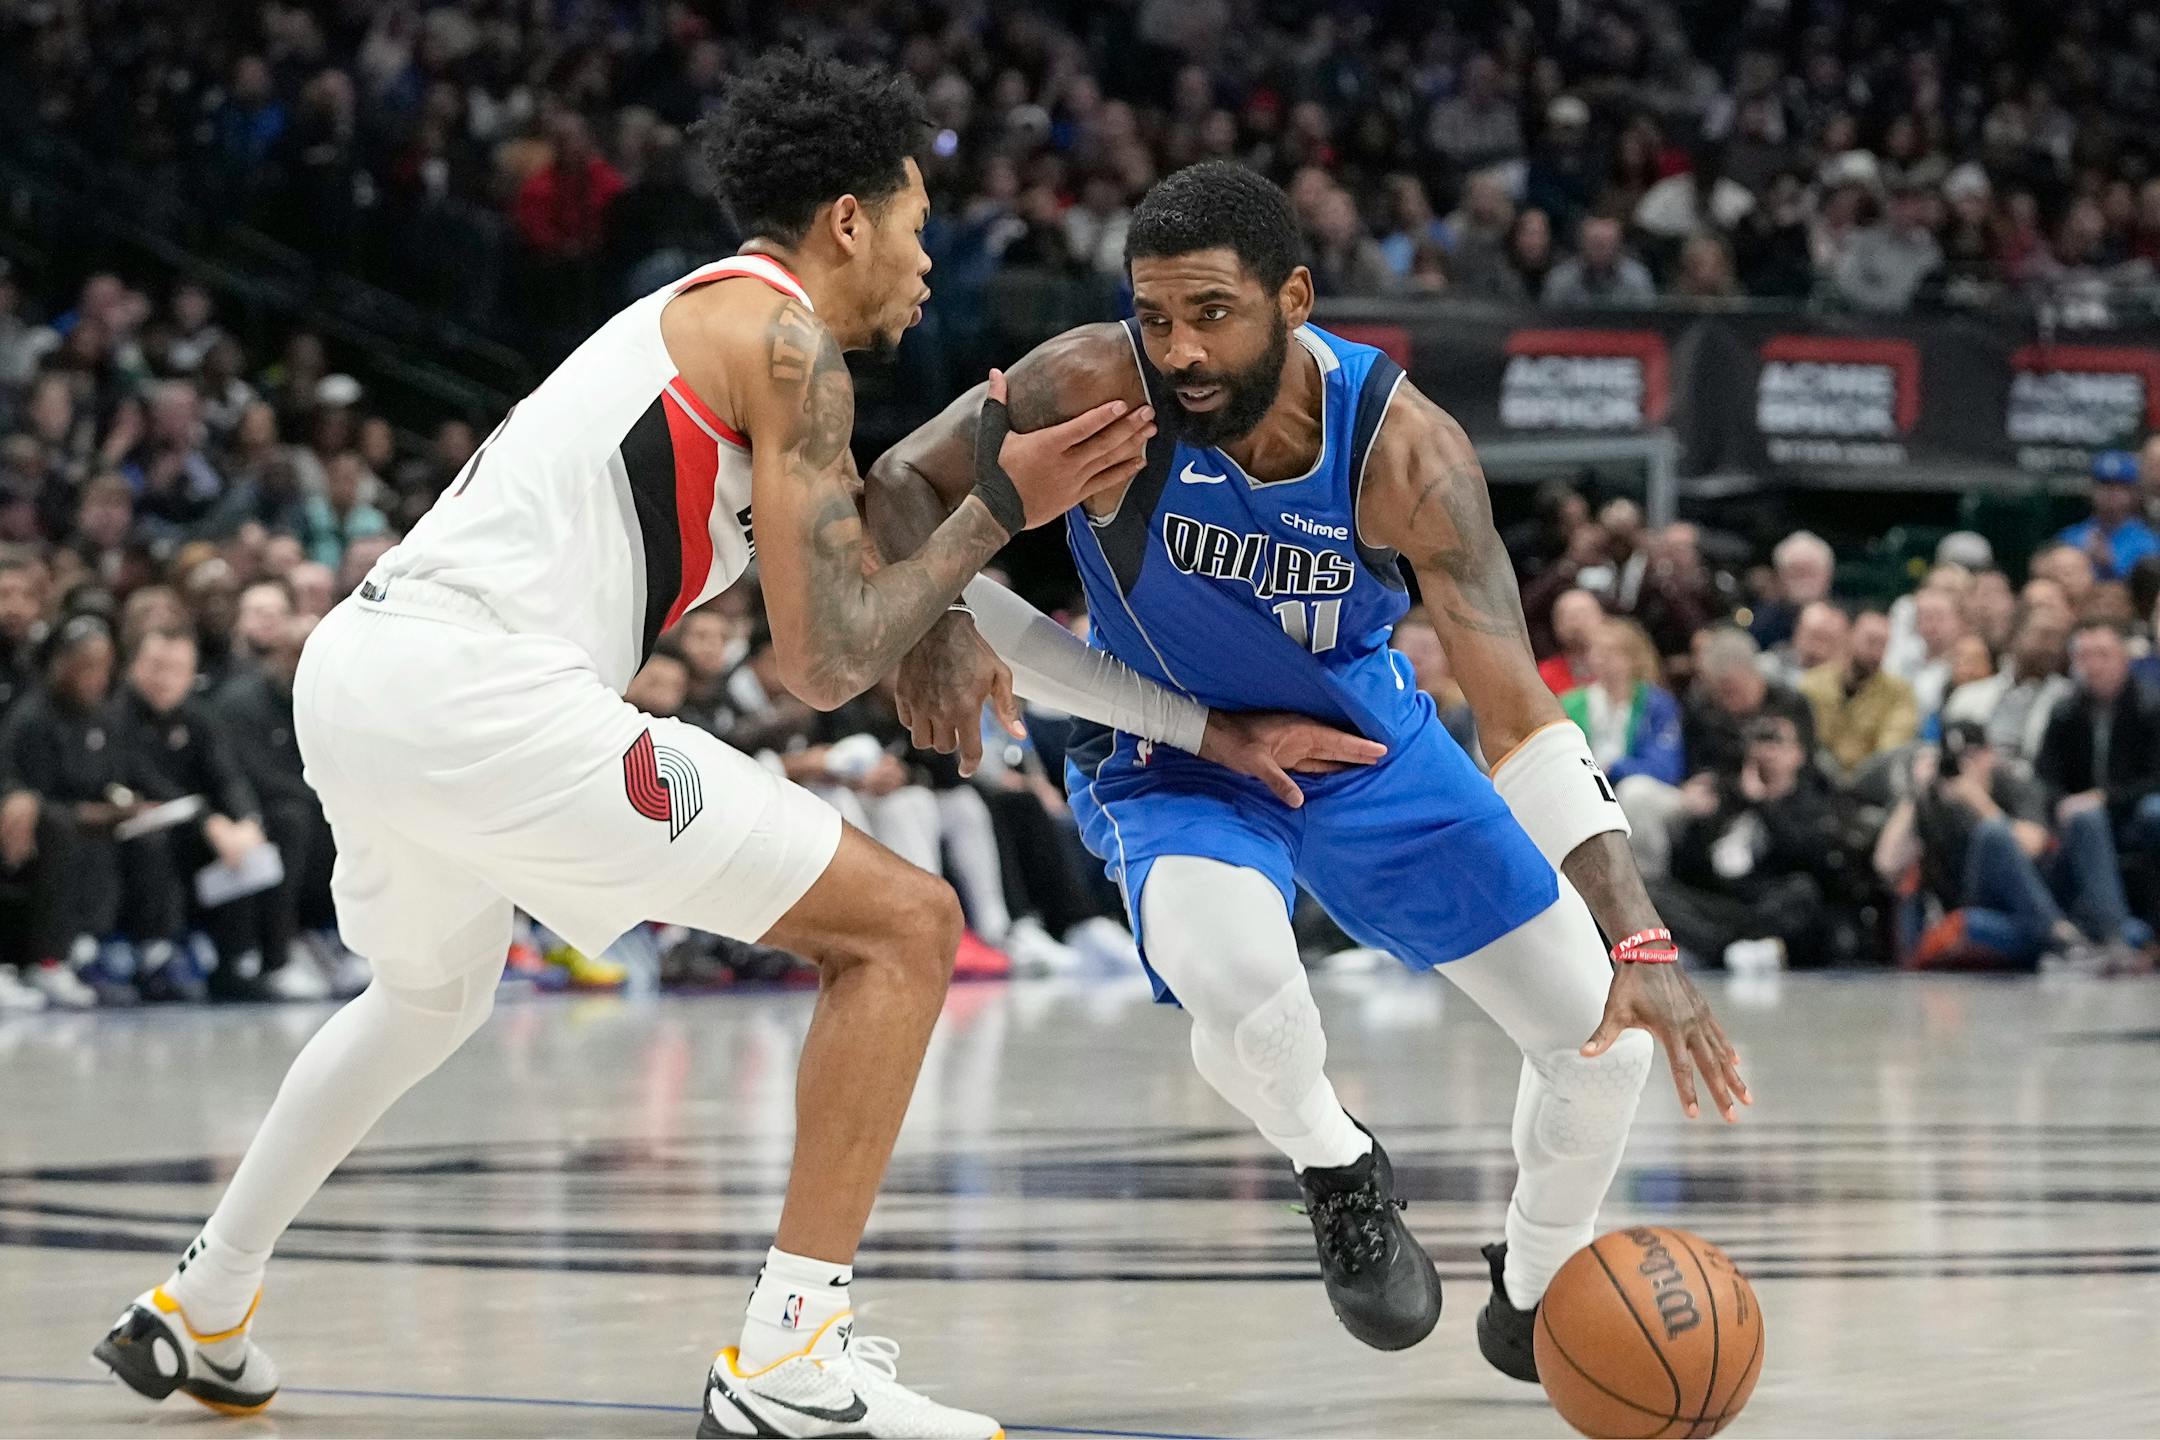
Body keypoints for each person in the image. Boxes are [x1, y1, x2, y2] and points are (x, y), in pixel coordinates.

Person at [93, 56, 1330, 1439]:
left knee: (425, 1000)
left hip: (368, 671)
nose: (930, 266)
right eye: (920, 227)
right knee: (908, 929)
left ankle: (206, 1302)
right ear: (850, 222)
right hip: (483, 688)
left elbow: (938, 604)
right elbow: (822, 663)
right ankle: (791, 1360)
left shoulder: (714, 336)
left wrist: (1195, 722)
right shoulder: (788, 345)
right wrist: (1002, 502)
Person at [865, 160, 1745, 1386]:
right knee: (1242, 980)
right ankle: (1337, 1168)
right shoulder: (1092, 384)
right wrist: (944, 622)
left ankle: (1537, 1285)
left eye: (1211, 314)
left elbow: (1519, 711)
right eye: (1156, 315)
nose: (1178, 352)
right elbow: (902, 477)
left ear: (1293, 298)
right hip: (1169, 754)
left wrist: (1639, 938)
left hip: (1368, 748)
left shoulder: (1407, 453)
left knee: (1611, 1042)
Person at [1875, 720, 2150, 971]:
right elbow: (1886, 864)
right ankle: (2062, 939)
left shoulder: (2013, 786)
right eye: (1957, 761)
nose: (1965, 767)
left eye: (1972, 757)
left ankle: (2113, 938)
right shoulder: (1933, 802)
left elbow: (2035, 845)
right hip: (1984, 903)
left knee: (2087, 817)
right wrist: (1916, 794)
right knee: (1992, 834)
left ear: (1989, 755)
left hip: (2041, 895)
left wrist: (1979, 801)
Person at [1649, 713, 1843, 965]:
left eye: (1777, 742)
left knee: (1804, 893)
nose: (1767, 752)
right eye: (1760, 741)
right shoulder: (1725, 798)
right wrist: (1696, 821)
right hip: (1723, 904)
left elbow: (1810, 858)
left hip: (1768, 902)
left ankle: (1722, 949)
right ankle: (1730, 950)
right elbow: (1688, 870)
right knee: (1653, 891)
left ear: (1799, 755)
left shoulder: (1811, 803)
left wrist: (1763, 804)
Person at [1560, 619, 1684, 785]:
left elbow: (1665, 767)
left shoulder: (1656, 704)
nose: (1601, 659)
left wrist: (1616, 769)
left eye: (1610, 652)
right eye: (1596, 651)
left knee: (1635, 791)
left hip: (1635, 786)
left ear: (1633, 658)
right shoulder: (1570, 704)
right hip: (1586, 785)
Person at [1799, 609, 1919, 782]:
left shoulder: (1900, 693)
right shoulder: (1812, 683)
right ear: (1849, 637)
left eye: (1883, 645)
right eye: (1871, 641)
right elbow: (1805, 738)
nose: (1876, 652)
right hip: (1815, 778)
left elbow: (1890, 750)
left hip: (1868, 784)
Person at [2056, 450, 2160, 582]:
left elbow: (2149, 590)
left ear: (2133, 493)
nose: (2110, 495)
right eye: (2104, 486)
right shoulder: (2070, 537)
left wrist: (2110, 566)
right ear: (2092, 490)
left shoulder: (2149, 541)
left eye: (2119, 488)